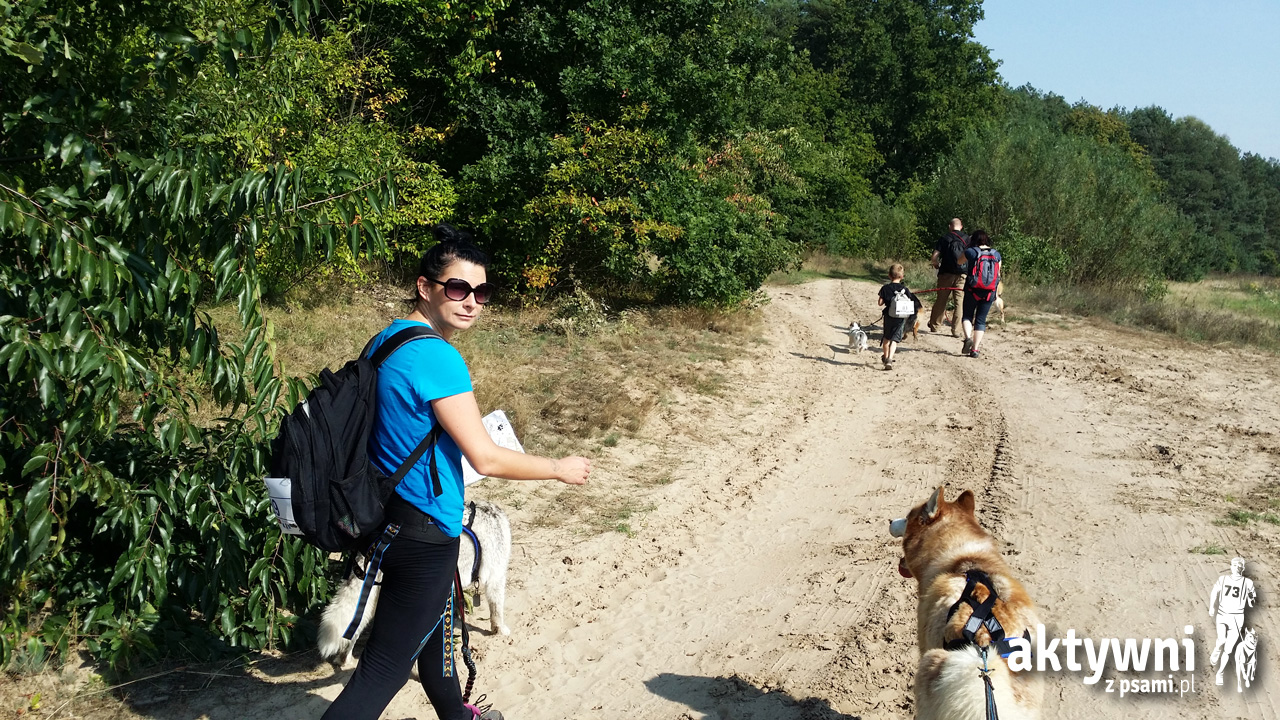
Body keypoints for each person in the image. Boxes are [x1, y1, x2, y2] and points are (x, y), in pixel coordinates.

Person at [323, 224, 592, 720]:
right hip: (425, 532)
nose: (471, 301)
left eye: (481, 292)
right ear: (425, 287)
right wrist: (558, 468)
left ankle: (460, 716)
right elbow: (486, 457)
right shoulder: (438, 357)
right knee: (381, 671)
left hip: (389, 517)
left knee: (437, 634)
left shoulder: (388, 339)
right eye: (458, 288)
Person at [1209, 557, 1256, 686]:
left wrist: (1251, 597)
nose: (1236, 568)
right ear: (1231, 566)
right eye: (1234, 565)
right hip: (1222, 614)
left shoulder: (1248, 583)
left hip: (1237, 617)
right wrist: (1212, 606)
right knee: (1221, 640)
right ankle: (1217, 649)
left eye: (1239, 566)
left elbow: (1252, 604)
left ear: (1242, 568)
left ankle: (1220, 673)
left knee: (1228, 649)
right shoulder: (1223, 579)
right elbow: (1214, 591)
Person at [959, 230, 1001, 358]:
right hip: (989, 292)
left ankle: (967, 338)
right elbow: (998, 274)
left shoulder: (971, 252)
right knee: (981, 320)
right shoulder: (996, 254)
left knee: (967, 316)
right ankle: (975, 349)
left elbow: (959, 261)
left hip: (972, 290)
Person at [928, 218, 969, 337]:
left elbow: (934, 256)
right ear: (961, 226)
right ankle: (956, 330)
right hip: (962, 274)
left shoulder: (944, 238)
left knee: (941, 299)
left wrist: (936, 264)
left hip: (946, 273)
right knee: (959, 302)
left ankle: (935, 325)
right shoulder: (967, 239)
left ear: (950, 226)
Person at [876, 263, 922, 371]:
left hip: (889, 316)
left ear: (889, 275)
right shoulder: (905, 289)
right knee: (895, 339)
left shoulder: (885, 288)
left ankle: (885, 356)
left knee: (886, 338)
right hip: (901, 317)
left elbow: (880, 303)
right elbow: (910, 301)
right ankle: (890, 359)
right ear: (902, 277)